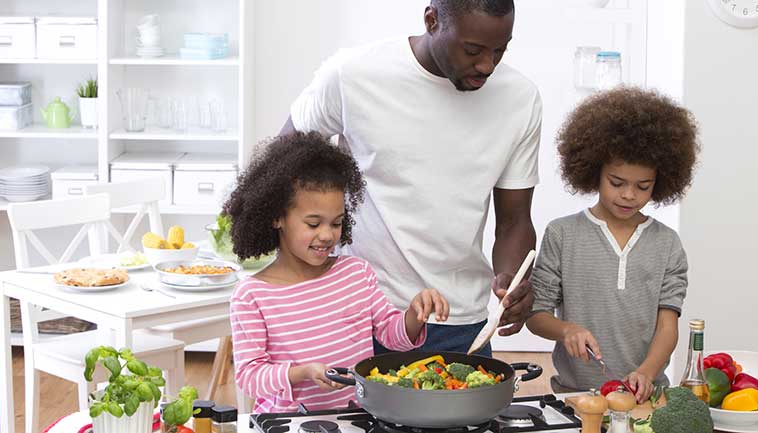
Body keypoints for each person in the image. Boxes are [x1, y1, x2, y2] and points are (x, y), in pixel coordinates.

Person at [279, 0, 541, 357]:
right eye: (473, 50)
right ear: (432, 21)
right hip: (357, 314)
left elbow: (514, 221)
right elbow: (281, 165)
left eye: (500, 50)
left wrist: (512, 282)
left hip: (460, 322)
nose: (487, 65)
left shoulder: (520, 98)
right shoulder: (353, 75)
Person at [226, 132, 450, 413]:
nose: (327, 235)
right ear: (276, 217)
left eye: (336, 223)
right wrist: (302, 372)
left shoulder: (355, 273)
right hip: (289, 423)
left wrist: (414, 315)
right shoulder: (252, 295)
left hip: (355, 416)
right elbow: (249, 378)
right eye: (313, 223)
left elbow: (391, 335)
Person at [526, 87, 700, 403]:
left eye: (642, 186)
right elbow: (536, 316)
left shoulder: (667, 244)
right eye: (617, 183)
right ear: (594, 172)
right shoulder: (562, 234)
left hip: (644, 394)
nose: (629, 195)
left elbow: (667, 327)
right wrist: (567, 330)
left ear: (660, 183)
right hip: (575, 394)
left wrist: (646, 373)